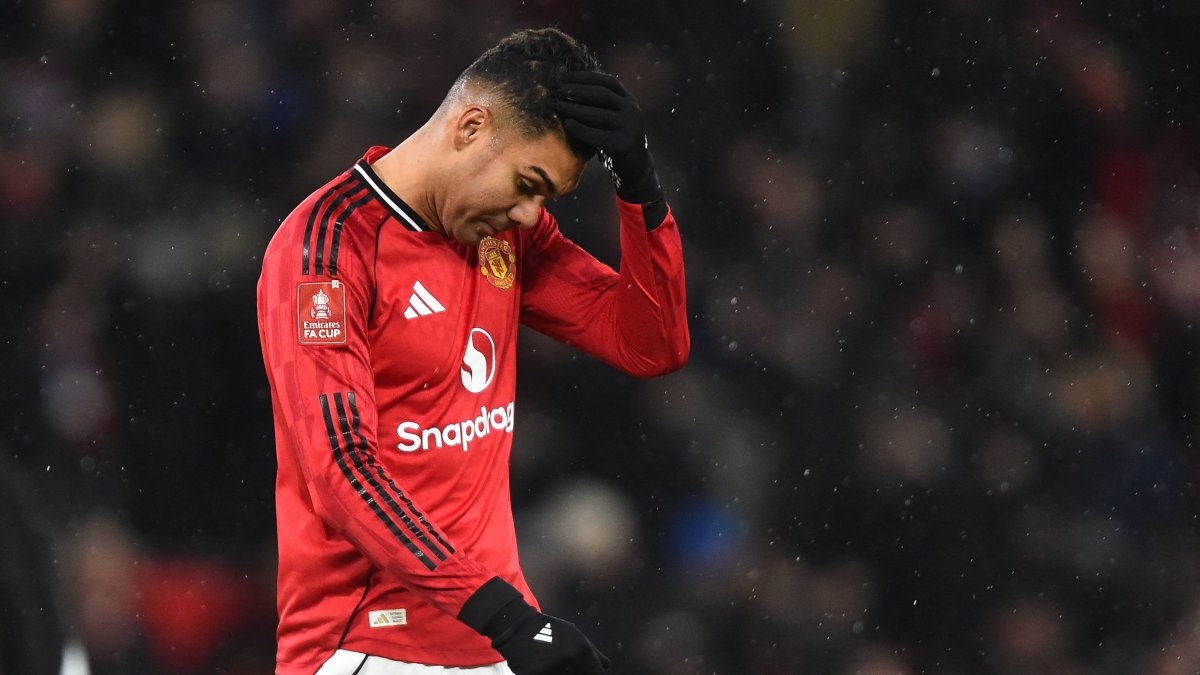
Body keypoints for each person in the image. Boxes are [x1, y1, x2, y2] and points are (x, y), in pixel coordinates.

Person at [257, 27, 688, 675]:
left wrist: (639, 184)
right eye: (527, 182)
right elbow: (341, 473)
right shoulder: (325, 249)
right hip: (368, 644)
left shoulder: (506, 236)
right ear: (471, 127)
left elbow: (650, 342)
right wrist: (507, 616)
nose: (528, 214)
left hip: (494, 636)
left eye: (546, 197)